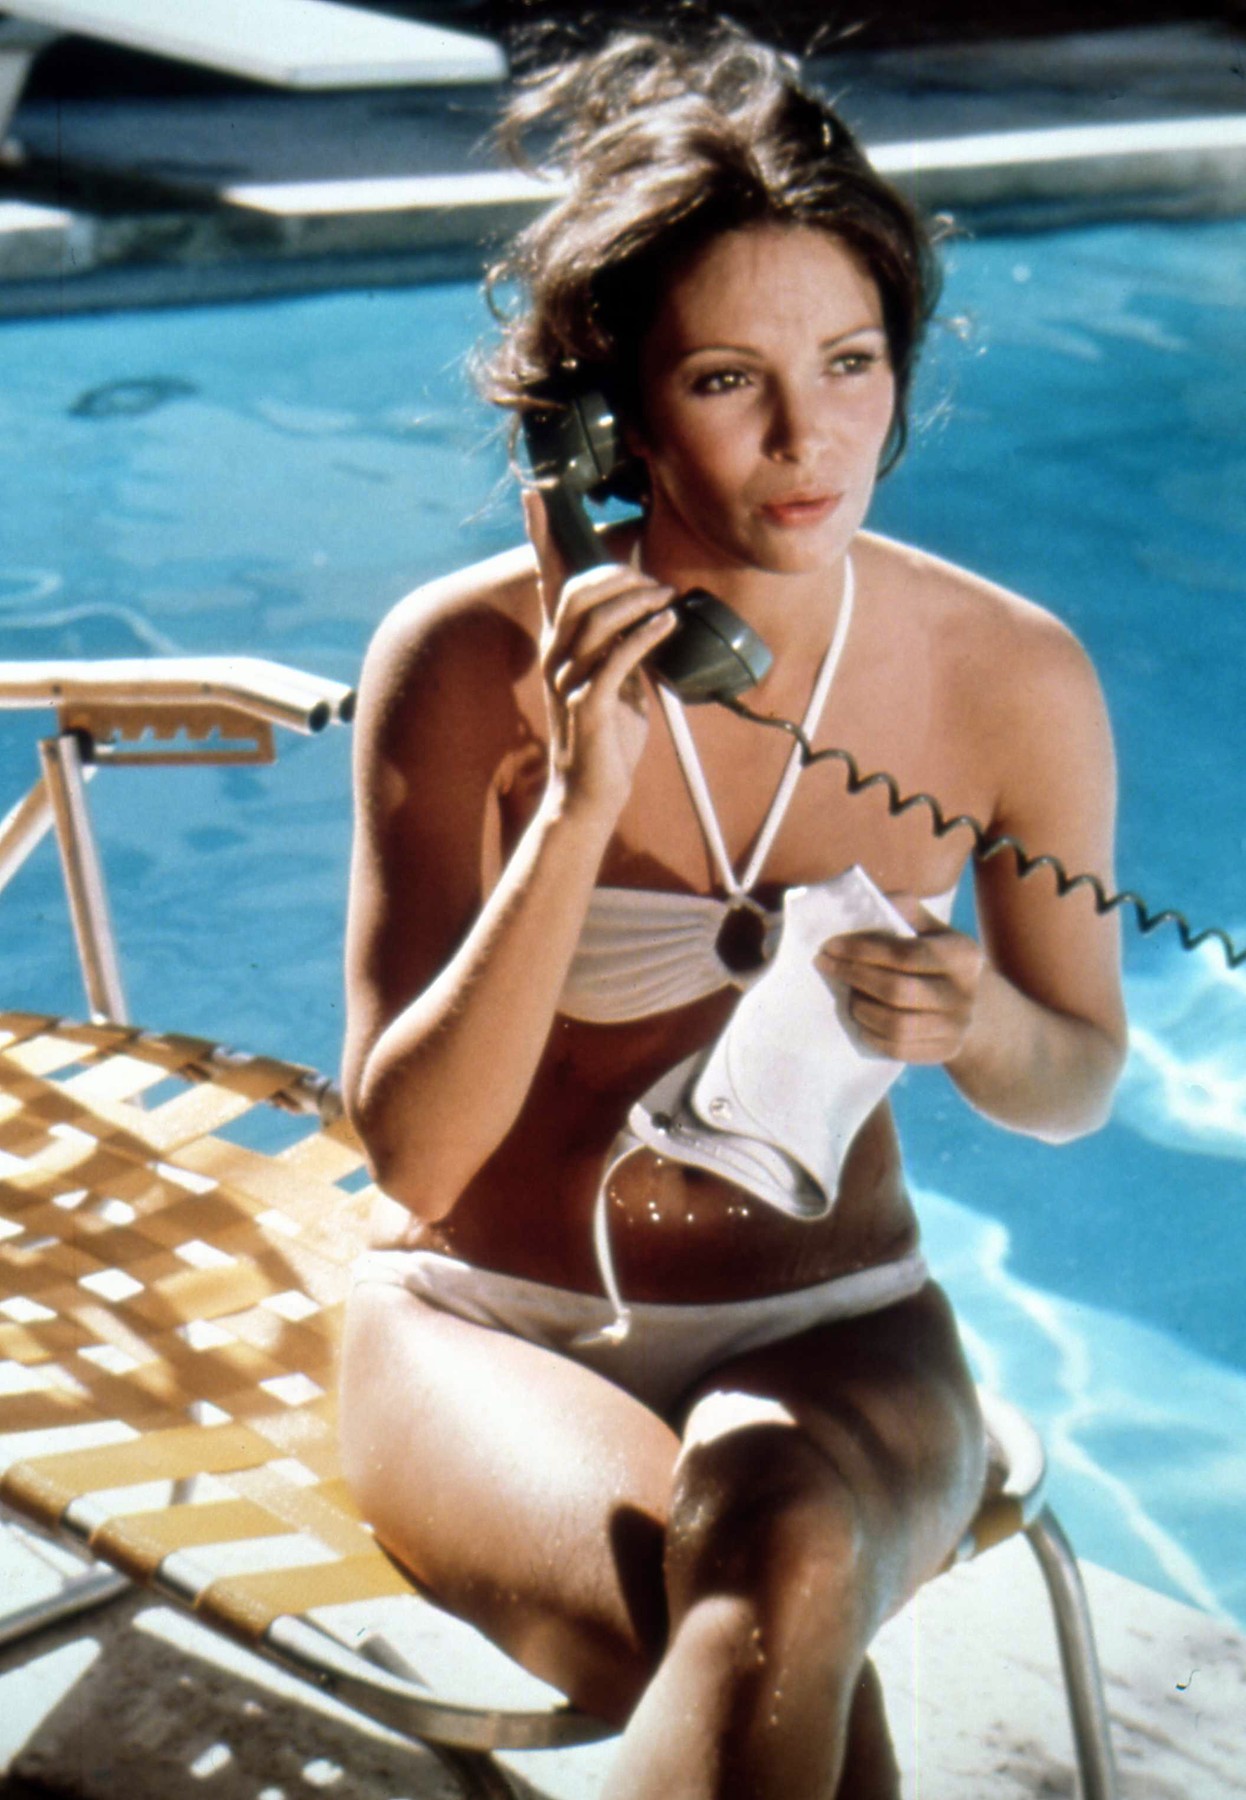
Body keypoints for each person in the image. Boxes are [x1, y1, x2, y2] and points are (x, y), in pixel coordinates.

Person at [338, 23, 1127, 1797]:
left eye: (849, 364)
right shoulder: (460, 660)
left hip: (843, 1327)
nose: (807, 437)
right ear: (606, 416)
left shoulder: (1008, 675)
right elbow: (414, 1156)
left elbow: (1077, 1085)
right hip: (486, 1317)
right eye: (724, 381)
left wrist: (983, 1021)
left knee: (779, 1553)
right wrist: (575, 808)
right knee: (780, 1629)